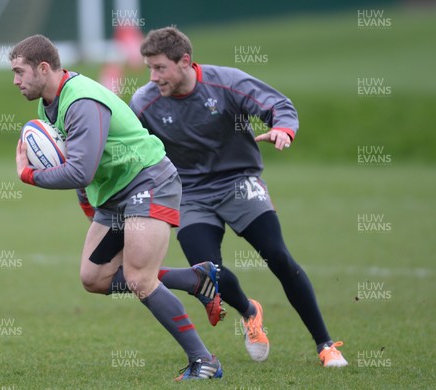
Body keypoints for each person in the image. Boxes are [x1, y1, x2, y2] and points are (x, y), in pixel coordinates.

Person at [128, 26, 348, 368]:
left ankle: (325, 344)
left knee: (278, 256)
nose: (153, 77)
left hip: (239, 182)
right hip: (189, 194)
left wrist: (282, 128)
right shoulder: (144, 103)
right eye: (149, 69)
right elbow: (127, 145)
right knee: (209, 274)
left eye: (160, 68)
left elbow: (277, 104)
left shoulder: (225, 83)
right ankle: (250, 311)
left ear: (185, 61)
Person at [10, 34, 223, 380]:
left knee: (140, 278)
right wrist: (88, 204)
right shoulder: (49, 103)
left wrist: (29, 175)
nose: (16, 81)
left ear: (43, 68)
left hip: (147, 181)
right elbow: (76, 159)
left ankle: (205, 361)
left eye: (20, 72)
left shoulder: (80, 101)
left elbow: (81, 168)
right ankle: (194, 278)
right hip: (114, 195)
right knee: (94, 278)